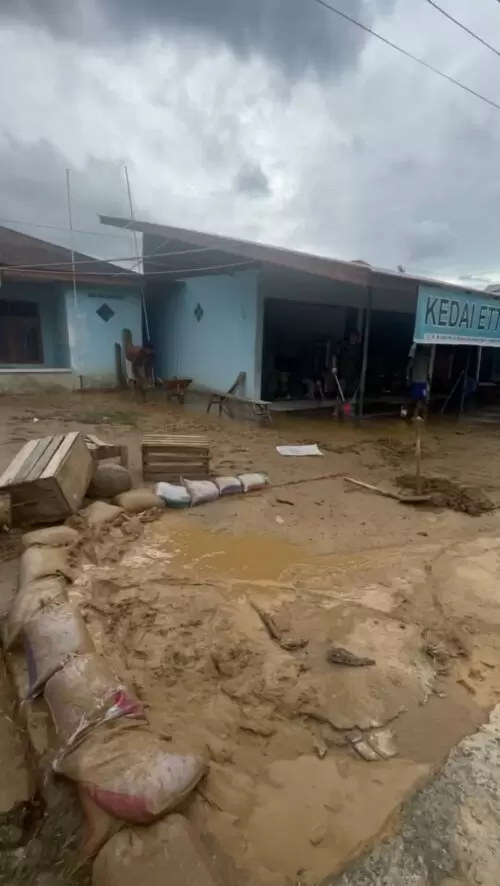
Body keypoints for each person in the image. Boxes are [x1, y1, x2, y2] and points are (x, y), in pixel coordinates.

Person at [405, 343, 430, 418]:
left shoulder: (426, 358)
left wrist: (428, 380)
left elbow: (426, 370)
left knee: (423, 398)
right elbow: (408, 367)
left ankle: (419, 415)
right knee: (413, 398)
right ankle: (405, 408)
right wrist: (408, 377)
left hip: (423, 382)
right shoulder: (415, 357)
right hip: (416, 381)